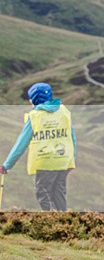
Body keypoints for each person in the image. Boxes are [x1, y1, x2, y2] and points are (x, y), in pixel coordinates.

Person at [1, 83, 76, 211]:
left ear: (34, 99)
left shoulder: (34, 116)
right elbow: (71, 137)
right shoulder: (64, 111)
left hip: (45, 160)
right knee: (59, 193)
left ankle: (53, 223)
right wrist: (71, 161)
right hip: (63, 160)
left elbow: (21, 143)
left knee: (43, 193)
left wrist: (7, 165)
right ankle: (65, 222)